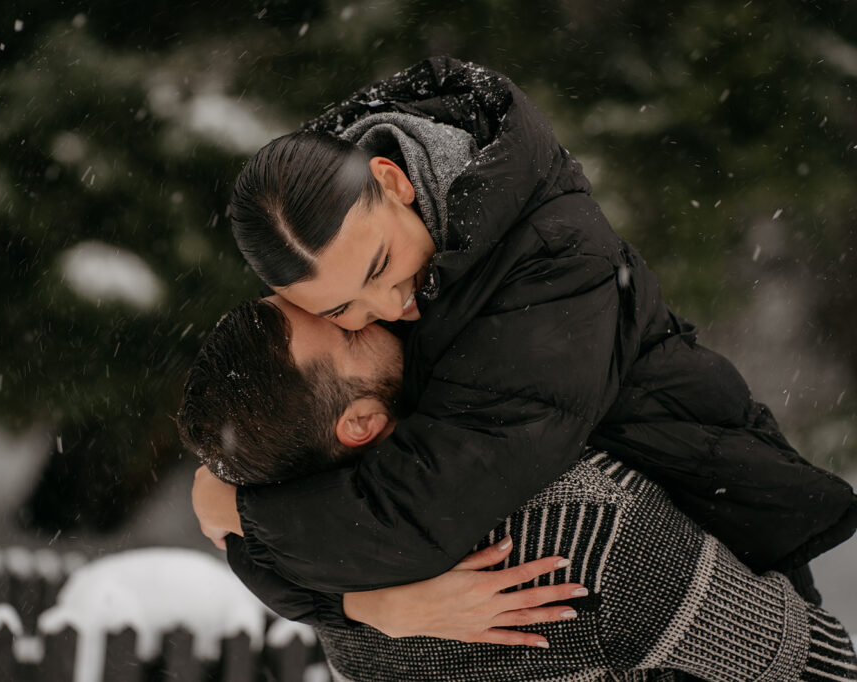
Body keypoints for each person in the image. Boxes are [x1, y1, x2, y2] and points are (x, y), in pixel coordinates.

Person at [191, 57, 857, 618]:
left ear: (391, 180)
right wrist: (362, 608)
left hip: (725, 584)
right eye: (342, 309)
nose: (387, 306)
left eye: (379, 268)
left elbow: (423, 515)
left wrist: (243, 515)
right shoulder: (356, 251)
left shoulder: (553, 260)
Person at [178, 295, 857, 682]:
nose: (371, 308)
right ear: (359, 423)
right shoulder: (583, 527)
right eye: (350, 329)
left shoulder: (346, 623)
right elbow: (813, 668)